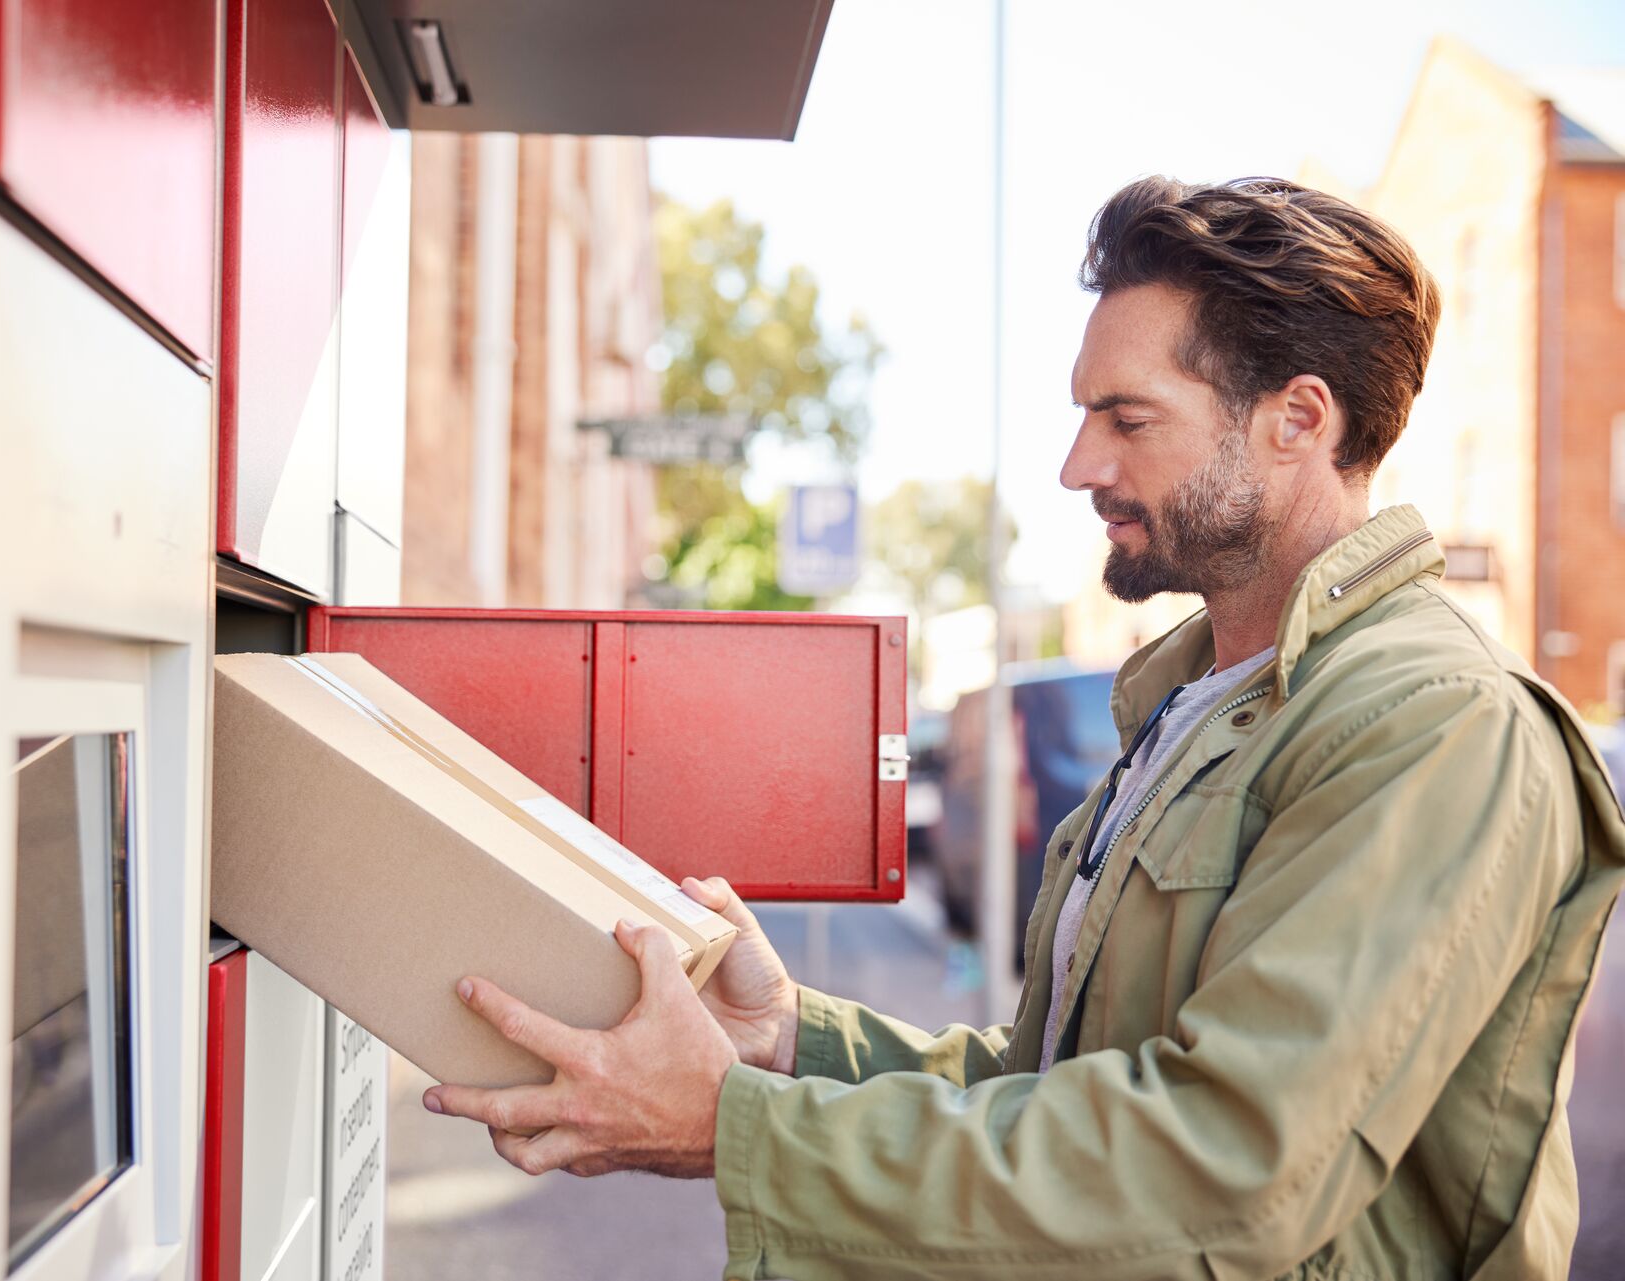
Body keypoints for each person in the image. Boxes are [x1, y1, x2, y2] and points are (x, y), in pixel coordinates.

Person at [420, 176, 1625, 1280]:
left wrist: (735, 1128)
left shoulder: (1431, 722)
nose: (1074, 463)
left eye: (1128, 416)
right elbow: (1059, 1085)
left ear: (1298, 420)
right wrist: (792, 1041)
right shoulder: (1209, 699)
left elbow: (1229, 1171)